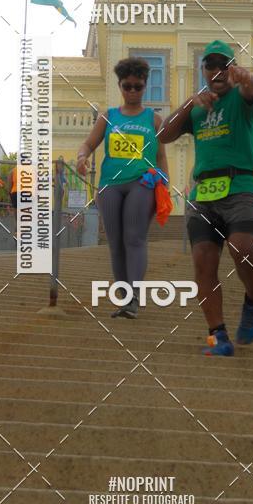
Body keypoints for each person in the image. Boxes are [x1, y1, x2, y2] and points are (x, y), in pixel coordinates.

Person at [158, 40, 253, 356]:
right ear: (202, 70)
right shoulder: (198, 106)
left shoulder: (241, 98)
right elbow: (163, 135)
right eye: (210, 65)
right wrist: (189, 103)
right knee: (203, 264)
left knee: (242, 248)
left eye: (224, 64)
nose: (217, 71)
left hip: (241, 186)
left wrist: (248, 79)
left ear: (232, 68)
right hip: (203, 193)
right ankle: (217, 336)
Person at [76, 56, 169, 319]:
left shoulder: (155, 120)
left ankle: (134, 299)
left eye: (137, 86)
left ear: (144, 86)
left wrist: (164, 183)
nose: (132, 91)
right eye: (127, 86)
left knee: (134, 238)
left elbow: (161, 156)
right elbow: (88, 144)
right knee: (115, 243)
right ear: (120, 86)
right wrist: (81, 157)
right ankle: (125, 299)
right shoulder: (108, 117)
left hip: (142, 183)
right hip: (110, 185)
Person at [7, 165, 18, 232]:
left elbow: (9, 184)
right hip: (28, 194)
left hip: (15, 193)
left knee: (17, 220)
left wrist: (9, 196)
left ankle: (17, 238)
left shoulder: (13, 170)